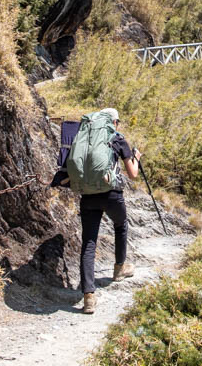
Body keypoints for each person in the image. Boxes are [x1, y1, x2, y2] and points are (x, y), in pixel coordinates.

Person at [77, 107, 141, 314]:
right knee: (121, 225)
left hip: (87, 195)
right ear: (114, 122)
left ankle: (88, 296)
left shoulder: (86, 139)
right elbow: (132, 174)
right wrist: (137, 158)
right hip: (112, 195)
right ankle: (119, 268)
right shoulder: (118, 139)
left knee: (88, 242)